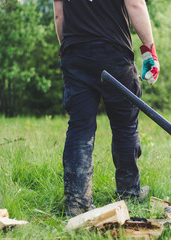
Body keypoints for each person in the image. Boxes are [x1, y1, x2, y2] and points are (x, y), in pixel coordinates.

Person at [53, 0, 160, 217]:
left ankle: (77, 202)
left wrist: (66, 51)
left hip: (75, 53)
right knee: (125, 126)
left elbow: (59, 14)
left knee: (80, 127)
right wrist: (149, 51)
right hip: (113, 51)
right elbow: (135, 4)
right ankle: (129, 192)